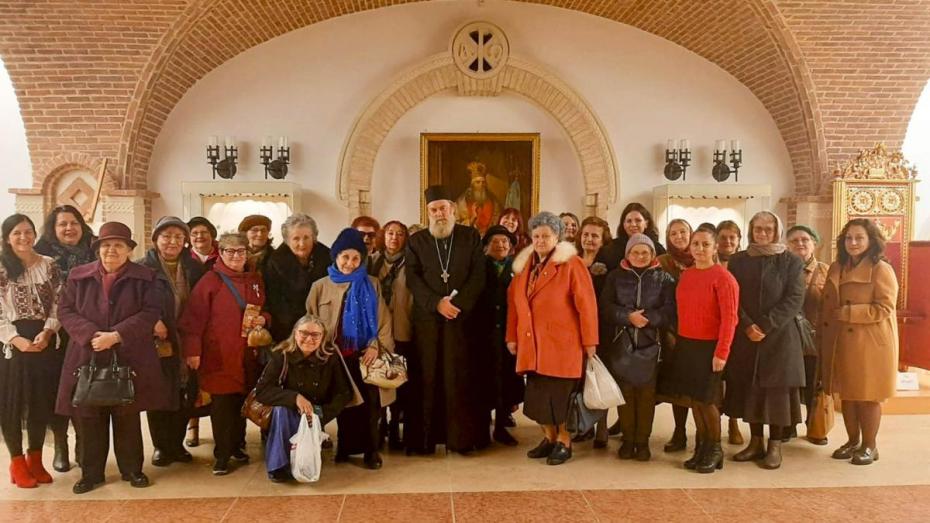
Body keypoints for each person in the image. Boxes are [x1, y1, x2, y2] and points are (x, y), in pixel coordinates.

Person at [57, 221, 169, 494]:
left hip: (129, 354)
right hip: (87, 353)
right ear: (98, 249)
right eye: (106, 245)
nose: (111, 250)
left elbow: (150, 312)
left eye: (118, 245)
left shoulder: (146, 277)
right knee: (88, 416)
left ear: (129, 250)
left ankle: (132, 470)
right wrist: (92, 334)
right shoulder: (78, 276)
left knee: (127, 415)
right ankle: (91, 473)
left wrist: (116, 335)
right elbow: (65, 310)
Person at [506, 211, 598, 466]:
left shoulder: (572, 264)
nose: (540, 240)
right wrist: (511, 336)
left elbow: (587, 306)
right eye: (536, 236)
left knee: (561, 399)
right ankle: (549, 438)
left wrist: (590, 342)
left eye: (546, 236)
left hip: (563, 345)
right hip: (532, 344)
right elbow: (514, 305)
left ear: (557, 237)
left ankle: (564, 441)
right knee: (538, 398)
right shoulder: (523, 267)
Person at [405, 186, 488, 455]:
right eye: (434, 209)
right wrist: (436, 303)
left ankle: (462, 439)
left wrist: (457, 304)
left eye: (443, 208)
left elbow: (478, 275)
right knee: (427, 377)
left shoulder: (470, 236)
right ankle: (424, 440)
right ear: (428, 212)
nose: (439, 213)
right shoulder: (417, 241)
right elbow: (412, 278)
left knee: (460, 378)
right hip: (427, 321)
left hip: (462, 321)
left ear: (452, 209)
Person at [180, 231, 270, 476]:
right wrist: (193, 352)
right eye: (230, 251)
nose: (236, 256)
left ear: (247, 253)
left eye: (241, 251)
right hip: (218, 355)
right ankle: (222, 455)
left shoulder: (255, 280)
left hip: (248, 355)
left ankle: (237, 446)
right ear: (220, 253)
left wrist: (264, 318)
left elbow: (265, 309)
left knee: (241, 403)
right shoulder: (210, 281)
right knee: (222, 406)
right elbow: (193, 320)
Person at [306, 228, 394, 469]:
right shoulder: (320, 286)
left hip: (365, 357)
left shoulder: (372, 284)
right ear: (336, 256)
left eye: (356, 258)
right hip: (334, 358)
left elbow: (384, 321)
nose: (350, 263)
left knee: (370, 406)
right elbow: (310, 322)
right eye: (345, 257)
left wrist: (375, 347)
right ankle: (345, 448)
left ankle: (371, 452)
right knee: (343, 405)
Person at [724, 211, 805, 470]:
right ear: (751, 231)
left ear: (777, 231)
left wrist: (766, 325)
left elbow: (794, 298)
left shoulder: (791, 261)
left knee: (776, 394)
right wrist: (747, 324)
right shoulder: (739, 260)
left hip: (780, 337)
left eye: (768, 229)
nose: (762, 233)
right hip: (747, 336)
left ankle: (775, 445)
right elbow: (732, 296)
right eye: (758, 229)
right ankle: (756, 442)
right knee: (751, 391)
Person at [820, 219, 898, 466]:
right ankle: (852, 441)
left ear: (871, 241)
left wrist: (850, 313)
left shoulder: (881, 269)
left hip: (870, 343)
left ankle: (869, 445)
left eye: (859, 238)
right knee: (848, 394)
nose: (853, 243)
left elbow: (885, 307)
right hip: (841, 340)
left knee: (868, 395)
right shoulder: (837, 266)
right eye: (848, 238)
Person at [663, 224, 739, 473]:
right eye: (695, 244)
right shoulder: (687, 275)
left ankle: (715, 449)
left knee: (708, 402)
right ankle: (701, 448)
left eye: (706, 244)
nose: (699, 248)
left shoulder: (723, 278)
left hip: (710, 348)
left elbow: (730, 319)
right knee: (694, 400)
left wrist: (722, 352)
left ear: (715, 247)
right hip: (687, 345)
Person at [599, 233, 676, 461]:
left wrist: (649, 319)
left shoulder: (664, 278)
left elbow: (670, 310)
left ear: (652, 254)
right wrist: (627, 316)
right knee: (626, 394)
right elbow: (605, 307)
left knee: (646, 396)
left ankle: (642, 442)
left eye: (645, 252)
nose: (640, 256)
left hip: (652, 345)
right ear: (628, 254)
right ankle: (628, 440)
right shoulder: (615, 277)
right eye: (635, 252)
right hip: (622, 344)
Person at [138, 216, 206, 467]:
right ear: (155, 239)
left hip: (187, 336)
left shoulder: (193, 267)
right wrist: (153, 320)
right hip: (159, 339)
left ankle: (177, 445)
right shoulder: (142, 268)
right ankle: (161, 446)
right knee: (159, 391)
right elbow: (133, 302)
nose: (172, 241)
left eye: (178, 237)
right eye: (166, 236)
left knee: (185, 390)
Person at [0, 215, 62, 488]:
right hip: (11, 343)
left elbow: (59, 302)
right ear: (7, 238)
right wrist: (15, 339)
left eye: (28, 231)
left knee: (40, 401)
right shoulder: (2, 267)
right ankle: (16, 462)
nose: (23, 237)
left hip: (43, 339)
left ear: (35, 234)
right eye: (17, 233)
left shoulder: (49, 265)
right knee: (12, 403)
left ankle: (35, 459)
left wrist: (48, 331)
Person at [34, 204, 96, 472]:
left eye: (74, 223)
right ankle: (61, 443)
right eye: (62, 224)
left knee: (85, 389)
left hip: (88, 331)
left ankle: (84, 444)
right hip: (54, 335)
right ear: (53, 229)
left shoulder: (95, 251)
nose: (69, 228)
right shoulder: (40, 257)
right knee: (56, 390)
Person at [256, 315, 353, 482]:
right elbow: (262, 391)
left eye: (315, 335)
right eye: (304, 333)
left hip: (316, 412)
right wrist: (295, 398)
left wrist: (321, 414)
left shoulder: (330, 357)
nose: (309, 339)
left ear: (322, 337)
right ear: (295, 333)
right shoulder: (281, 355)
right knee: (282, 412)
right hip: (286, 411)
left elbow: (343, 393)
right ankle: (278, 466)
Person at [471, 225, 524, 446]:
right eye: (495, 241)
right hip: (482, 334)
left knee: (506, 380)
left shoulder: (518, 268)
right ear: (486, 246)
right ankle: (482, 429)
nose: (500, 245)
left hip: (509, 335)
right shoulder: (477, 267)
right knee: (483, 381)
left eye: (504, 241)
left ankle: (502, 426)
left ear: (511, 246)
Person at [368, 220, 413, 449]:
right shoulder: (372, 262)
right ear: (383, 236)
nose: (394, 238)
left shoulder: (411, 263)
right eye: (390, 233)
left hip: (402, 331)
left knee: (398, 380)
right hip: (377, 333)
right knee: (378, 380)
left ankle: (396, 425)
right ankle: (381, 424)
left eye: (400, 234)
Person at [785, 225, 831, 445]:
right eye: (794, 240)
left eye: (805, 239)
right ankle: (787, 425)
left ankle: (815, 426)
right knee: (788, 385)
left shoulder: (826, 271)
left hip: (815, 339)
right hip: (787, 339)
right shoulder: (782, 269)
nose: (800, 244)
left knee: (814, 383)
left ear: (814, 243)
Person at [654, 218, 695, 452]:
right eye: (673, 233)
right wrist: (668, 330)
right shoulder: (662, 262)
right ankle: (679, 431)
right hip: (671, 331)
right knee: (677, 386)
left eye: (683, 232)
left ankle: (705, 435)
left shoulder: (702, 258)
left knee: (698, 387)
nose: (679, 237)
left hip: (700, 331)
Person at [572, 215, 612, 447]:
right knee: (578, 379)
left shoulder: (609, 264)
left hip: (601, 328)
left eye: (595, 236)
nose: (589, 239)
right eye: (586, 234)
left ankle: (602, 427)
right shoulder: (571, 261)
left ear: (603, 240)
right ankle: (583, 424)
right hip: (574, 328)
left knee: (599, 376)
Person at [264, 213, 331, 343]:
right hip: (287, 326)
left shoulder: (328, 257)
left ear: (314, 237)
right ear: (287, 240)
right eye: (296, 238)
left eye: (306, 237)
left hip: (322, 322)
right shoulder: (275, 261)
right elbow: (275, 301)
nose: (302, 243)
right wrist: (301, 326)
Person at [716, 219, 745, 445]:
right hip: (712, 329)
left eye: (731, 238)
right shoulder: (709, 261)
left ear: (739, 240)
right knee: (714, 381)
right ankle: (713, 425)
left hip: (738, 329)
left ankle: (733, 423)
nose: (727, 242)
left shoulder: (745, 264)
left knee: (735, 380)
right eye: (723, 237)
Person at [595, 203, 666, 273]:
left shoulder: (658, 250)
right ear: (624, 224)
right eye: (629, 221)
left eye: (638, 220)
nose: (633, 224)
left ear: (646, 224)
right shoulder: (610, 249)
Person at [456, 161, 502, 235]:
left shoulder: (494, 202)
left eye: (483, 182)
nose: (481, 185)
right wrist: (471, 220)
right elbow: (456, 226)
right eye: (477, 182)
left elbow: (498, 221)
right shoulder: (461, 203)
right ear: (472, 185)